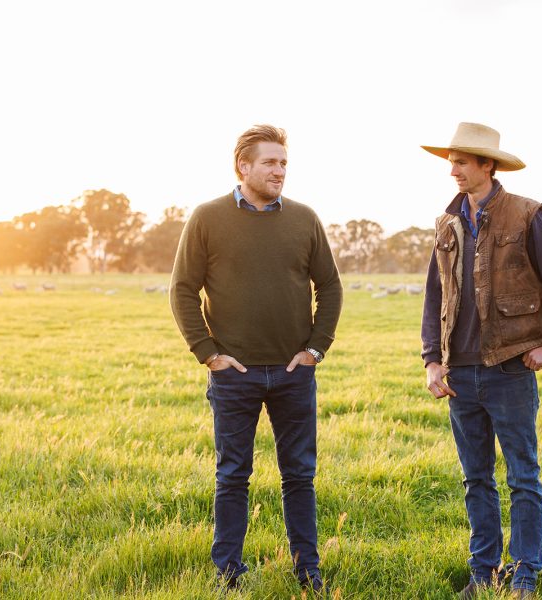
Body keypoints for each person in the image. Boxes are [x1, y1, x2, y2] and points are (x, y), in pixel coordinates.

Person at [169, 124, 343, 593]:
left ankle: (307, 569)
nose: (280, 170)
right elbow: (183, 290)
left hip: (293, 373)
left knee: (299, 476)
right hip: (235, 375)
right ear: (243, 166)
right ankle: (228, 571)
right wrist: (208, 354)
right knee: (232, 476)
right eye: (270, 162)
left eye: (284, 163)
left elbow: (329, 286)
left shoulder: (304, 219)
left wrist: (314, 349)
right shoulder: (207, 217)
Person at [420, 122, 542, 599]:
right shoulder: (445, 223)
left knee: (523, 477)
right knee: (475, 479)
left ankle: (526, 573)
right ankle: (483, 571)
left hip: (510, 368)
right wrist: (432, 360)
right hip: (459, 373)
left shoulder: (527, 215)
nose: (454, 171)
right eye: (451, 162)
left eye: (462, 162)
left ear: (488, 165)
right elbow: (434, 298)